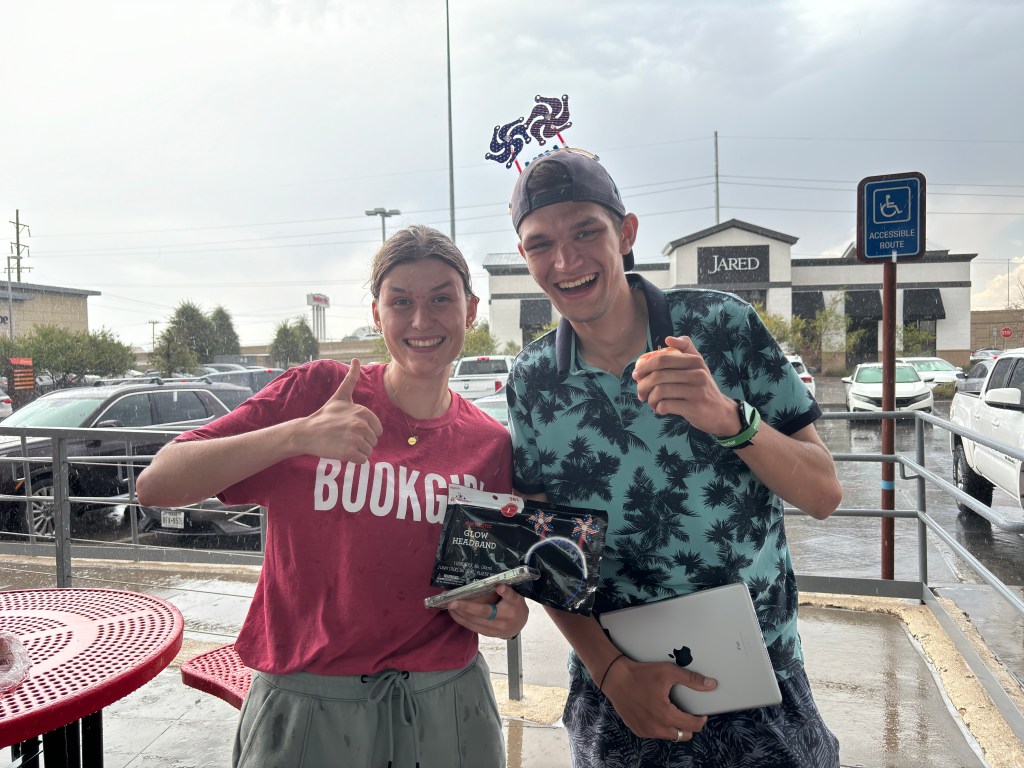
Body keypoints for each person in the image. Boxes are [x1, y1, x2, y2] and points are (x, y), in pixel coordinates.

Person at [136, 224, 527, 768]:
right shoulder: (317, 391)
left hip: (447, 704)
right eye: (401, 301)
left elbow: (497, 586)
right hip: (308, 702)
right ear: (377, 315)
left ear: (471, 310)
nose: (421, 320)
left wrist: (508, 614)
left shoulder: (490, 444)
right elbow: (157, 483)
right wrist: (298, 435)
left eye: (442, 299)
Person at [504, 148, 843, 767]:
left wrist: (729, 418)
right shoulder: (531, 382)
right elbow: (548, 552)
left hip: (761, 681)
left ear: (627, 233)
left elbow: (823, 494)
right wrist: (611, 674)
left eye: (586, 232)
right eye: (540, 244)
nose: (566, 261)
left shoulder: (724, 326)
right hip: (620, 691)